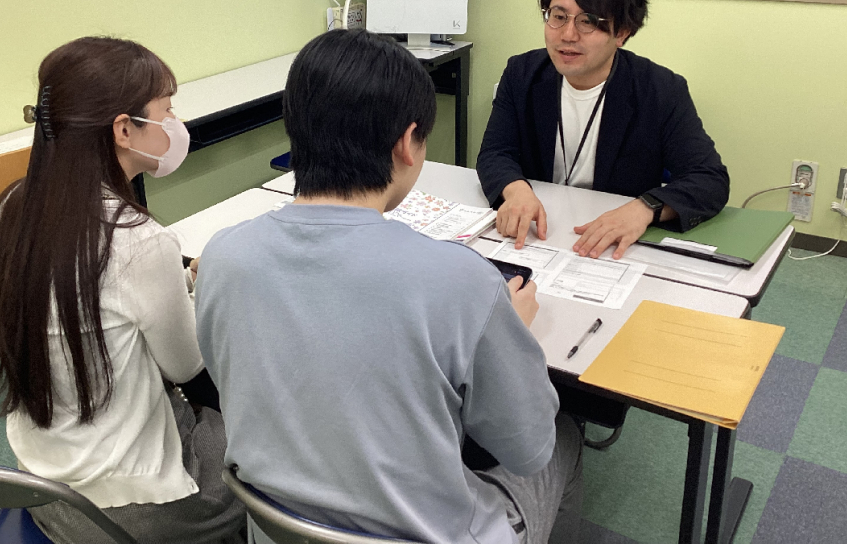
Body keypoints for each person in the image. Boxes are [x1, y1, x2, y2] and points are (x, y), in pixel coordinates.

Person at [196, 29, 583, 544]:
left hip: (275, 525)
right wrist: (516, 334)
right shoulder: (462, 281)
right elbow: (527, 449)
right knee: (563, 437)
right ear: (407, 141)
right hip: (429, 533)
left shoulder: (221, 255)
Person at [0, 37, 245, 544]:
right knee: (263, 446)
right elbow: (190, 372)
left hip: (43, 490)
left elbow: (95, 298)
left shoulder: (12, 208)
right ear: (125, 129)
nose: (175, 123)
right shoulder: (137, 241)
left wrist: (177, 280)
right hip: (131, 512)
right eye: (166, 111)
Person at [477, 0, 729, 257]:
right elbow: (495, 152)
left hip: (610, 246)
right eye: (558, 17)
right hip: (537, 235)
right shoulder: (522, 74)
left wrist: (644, 208)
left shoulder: (661, 90)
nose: (568, 35)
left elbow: (709, 179)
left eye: (589, 21)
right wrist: (515, 190)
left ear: (622, 32)